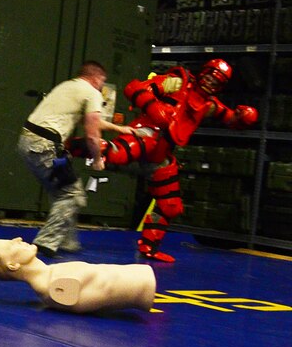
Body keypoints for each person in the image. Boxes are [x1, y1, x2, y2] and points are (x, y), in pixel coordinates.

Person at [66, 58, 258, 262]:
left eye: (217, 81)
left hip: (161, 155)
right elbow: (134, 88)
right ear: (203, 72)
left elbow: (229, 118)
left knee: (170, 204)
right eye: (210, 76)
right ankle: (66, 147)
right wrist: (152, 106)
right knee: (113, 152)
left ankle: (149, 247)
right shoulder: (176, 82)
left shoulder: (208, 105)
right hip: (146, 134)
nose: (211, 82)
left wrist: (243, 118)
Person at [17, 60, 135, 258]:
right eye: (102, 80)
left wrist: (120, 129)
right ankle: (45, 243)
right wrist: (98, 159)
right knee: (72, 194)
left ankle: (67, 241)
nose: (102, 85)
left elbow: (89, 120)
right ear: (96, 77)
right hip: (46, 146)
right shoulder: (92, 93)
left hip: (27, 142)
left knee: (60, 191)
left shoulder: (67, 86)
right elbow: (92, 134)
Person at [0, 237, 156, 313]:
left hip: (143, 282)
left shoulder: (51, 277)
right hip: (145, 289)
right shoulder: (53, 288)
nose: (18, 239)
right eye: (11, 245)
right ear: (13, 265)